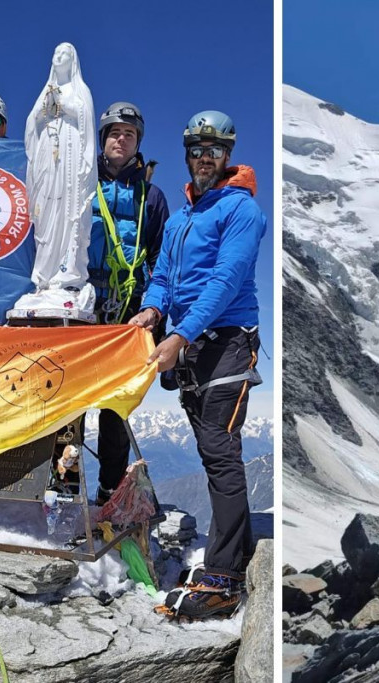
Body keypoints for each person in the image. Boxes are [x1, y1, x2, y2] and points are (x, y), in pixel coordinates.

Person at [130, 110, 266, 619]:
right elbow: (163, 275)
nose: (203, 158)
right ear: (187, 154)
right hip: (190, 345)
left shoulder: (241, 211)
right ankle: (239, 554)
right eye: (195, 149)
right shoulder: (183, 216)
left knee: (218, 447)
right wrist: (150, 311)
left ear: (227, 155)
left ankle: (225, 577)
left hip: (228, 338)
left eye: (213, 149)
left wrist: (180, 334)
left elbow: (227, 279)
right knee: (212, 449)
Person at [87, 102, 169, 504]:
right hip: (81, 306)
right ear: (102, 140)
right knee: (60, 397)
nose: (121, 139)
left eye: (129, 134)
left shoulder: (151, 198)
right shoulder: (80, 184)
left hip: (128, 312)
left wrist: (155, 310)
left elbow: (162, 261)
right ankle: (58, 483)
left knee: (116, 408)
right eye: (114, 132)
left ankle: (108, 491)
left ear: (138, 143)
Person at [15, 42, 96, 313]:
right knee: (46, 216)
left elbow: (86, 119)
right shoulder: (44, 92)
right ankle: (44, 276)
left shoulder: (80, 90)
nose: (59, 57)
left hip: (70, 164)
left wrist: (63, 104)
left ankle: (67, 273)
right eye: (56, 53)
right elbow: (31, 124)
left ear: (72, 61)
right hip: (48, 163)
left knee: (68, 216)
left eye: (65, 54)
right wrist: (43, 111)